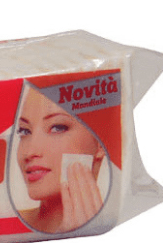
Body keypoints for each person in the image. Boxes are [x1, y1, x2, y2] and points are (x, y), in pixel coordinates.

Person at [14, 85, 106, 233]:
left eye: (57, 127)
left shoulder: (116, 226)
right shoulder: (1, 225)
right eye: (24, 131)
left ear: (101, 142)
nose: (29, 152)